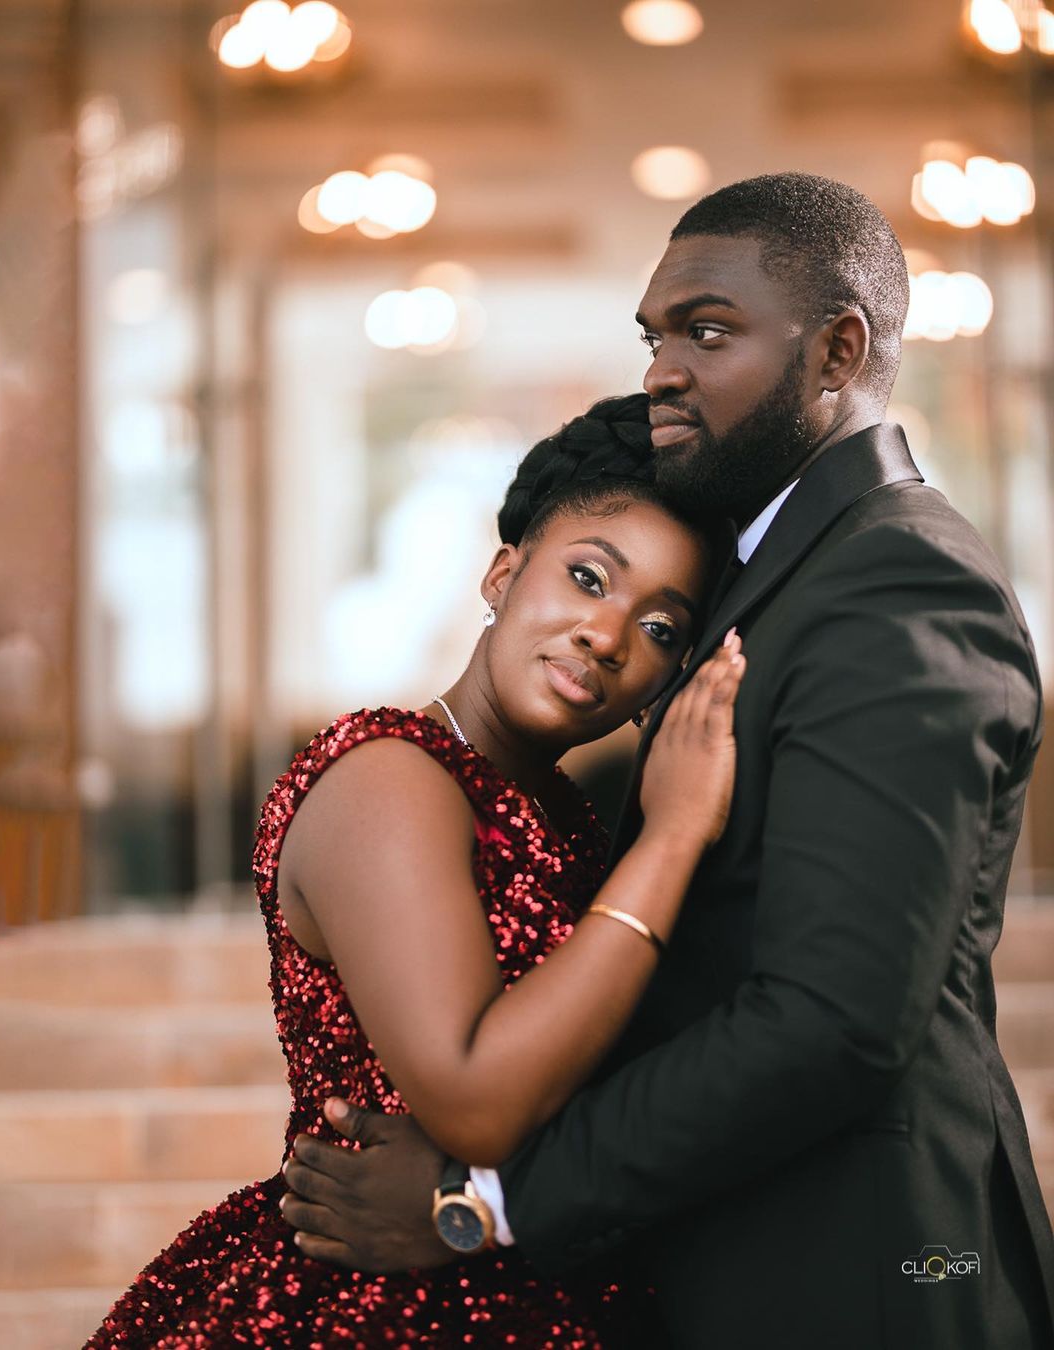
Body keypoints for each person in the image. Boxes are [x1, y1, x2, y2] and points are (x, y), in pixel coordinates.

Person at [281, 173, 1054, 1350]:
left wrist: (484, 1205)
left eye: (709, 332)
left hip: (863, 1268)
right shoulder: (779, 572)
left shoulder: (897, 581)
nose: (664, 372)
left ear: (839, 351)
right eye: (656, 339)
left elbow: (836, 1017)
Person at [83, 393, 747, 1348]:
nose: (607, 635)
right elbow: (477, 1102)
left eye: (661, 629)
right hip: (377, 1309)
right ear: (502, 574)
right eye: (589, 577)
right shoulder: (388, 778)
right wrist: (674, 838)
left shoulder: (567, 820)